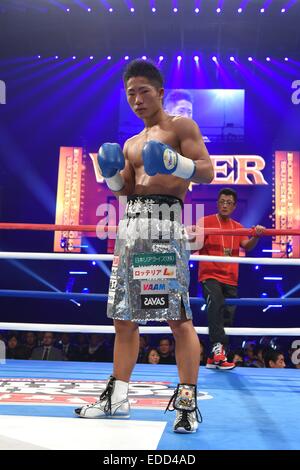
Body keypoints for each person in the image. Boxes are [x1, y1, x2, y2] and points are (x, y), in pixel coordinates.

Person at [75, 58, 214, 433]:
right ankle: (117, 398)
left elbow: (207, 169)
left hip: (166, 229)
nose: (137, 99)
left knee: (177, 319)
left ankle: (186, 404)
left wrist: (175, 162)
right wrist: (111, 177)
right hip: (131, 229)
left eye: (144, 91)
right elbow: (129, 191)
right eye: (131, 93)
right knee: (123, 318)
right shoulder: (131, 143)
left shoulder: (180, 126)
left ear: (160, 92)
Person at [197, 188, 265, 370]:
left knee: (227, 317)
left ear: (234, 206)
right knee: (216, 304)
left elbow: (247, 246)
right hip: (210, 275)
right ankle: (219, 352)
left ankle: (214, 357)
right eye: (222, 202)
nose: (224, 205)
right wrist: (192, 234)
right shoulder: (206, 222)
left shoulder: (237, 227)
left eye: (228, 202)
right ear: (217, 203)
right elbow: (194, 245)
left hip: (231, 279)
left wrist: (256, 235)